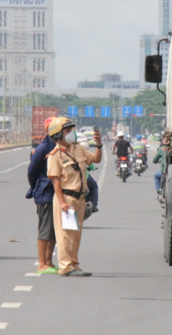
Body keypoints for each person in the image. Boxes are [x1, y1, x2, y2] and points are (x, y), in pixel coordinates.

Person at [46, 117, 102, 277]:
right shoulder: (54, 155)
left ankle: (74, 265)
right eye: (67, 131)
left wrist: (98, 145)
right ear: (58, 134)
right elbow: (55, 180)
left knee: (76, 234)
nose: (71, 133)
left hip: (80, 199)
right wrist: (62, 202)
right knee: (65, 234)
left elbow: (96, 159)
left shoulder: (79, 149)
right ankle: (65, 267)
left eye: (71, 130)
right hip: (66, 199)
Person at [27, 116, 58, 274]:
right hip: (45, 193)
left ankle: (49, 261)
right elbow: (32, 171)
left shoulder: (58, 146)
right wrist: (37, 187)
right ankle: (41, 263)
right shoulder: (42, 149)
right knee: (45, 229)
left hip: (56, 194)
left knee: (53, 230)